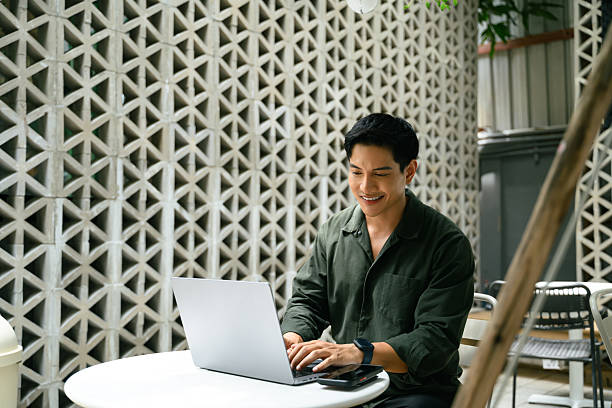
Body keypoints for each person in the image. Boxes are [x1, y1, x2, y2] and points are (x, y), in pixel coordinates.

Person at [280, 113, 475, 408]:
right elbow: (308, 300)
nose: (365, 186)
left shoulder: (446, 244)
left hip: (414, 392)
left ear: (409, 172)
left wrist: (361, 352)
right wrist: (293, 338)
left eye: (380, 174)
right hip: (343, 385)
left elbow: (435, 340)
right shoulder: (333, 232)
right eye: (356, 172)